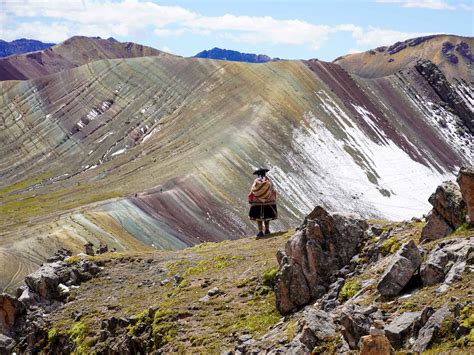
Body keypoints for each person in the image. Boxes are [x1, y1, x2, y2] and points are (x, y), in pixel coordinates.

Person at [248, 168, 278, 237]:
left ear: (257, 174)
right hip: (269, 202)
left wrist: (250, 200)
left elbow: (252, 192)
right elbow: (273, 191)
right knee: (267, 217)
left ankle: (260, 231)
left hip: (257, 203)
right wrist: (272, 199)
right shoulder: (269, 182)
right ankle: (267, 230)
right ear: (265, 173)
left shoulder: (256, 182)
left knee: (259, 218)